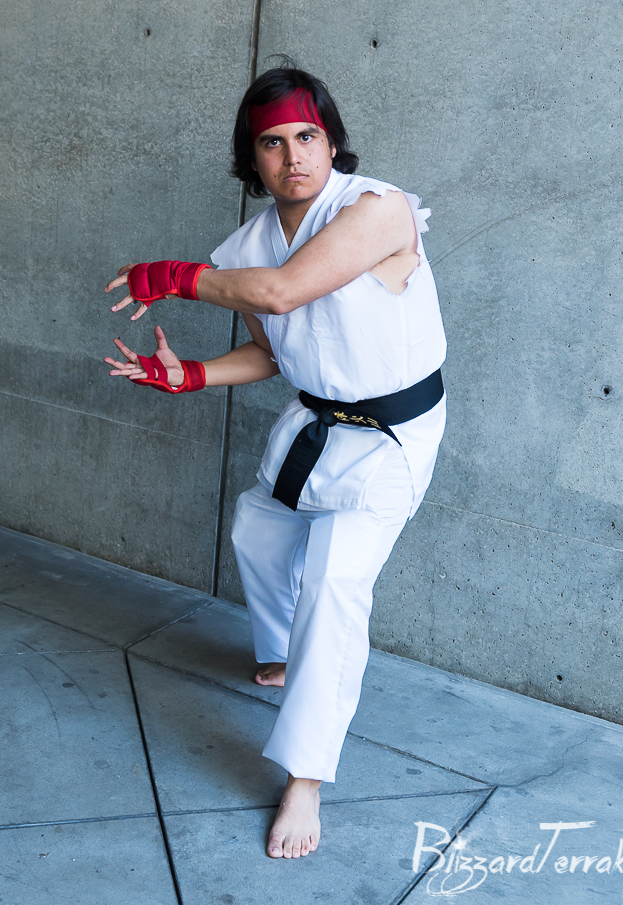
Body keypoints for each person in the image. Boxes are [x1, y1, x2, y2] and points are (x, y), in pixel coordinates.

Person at [103, 63, 447, 860]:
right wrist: (191, 375)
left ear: (331, 141)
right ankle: (286, 656)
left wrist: (178, 278)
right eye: (272, 142)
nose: (293, 156)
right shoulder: (249, 246)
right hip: (316, 420)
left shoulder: (379, 210)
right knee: (257, 531)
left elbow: (284, 293)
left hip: (392, 436)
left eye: (307, 136)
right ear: (250, 157)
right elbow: (270, 352)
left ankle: (305, 778)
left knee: (333, 584)